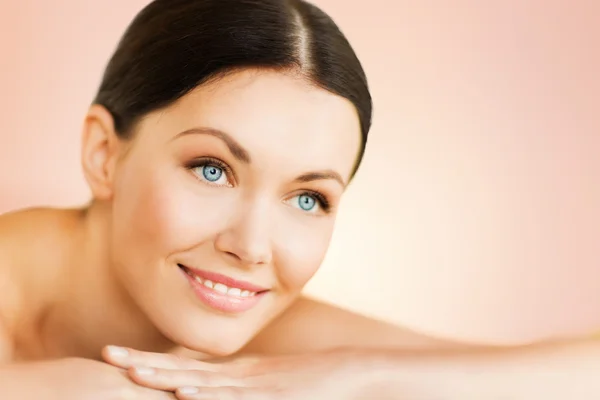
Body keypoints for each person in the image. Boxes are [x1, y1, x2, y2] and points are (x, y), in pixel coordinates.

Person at [0, 0, 597, 399]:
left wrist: (365, 374)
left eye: (308, 199)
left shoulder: (246, 326)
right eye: (212, 169)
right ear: (105, 153)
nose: (253, 247)